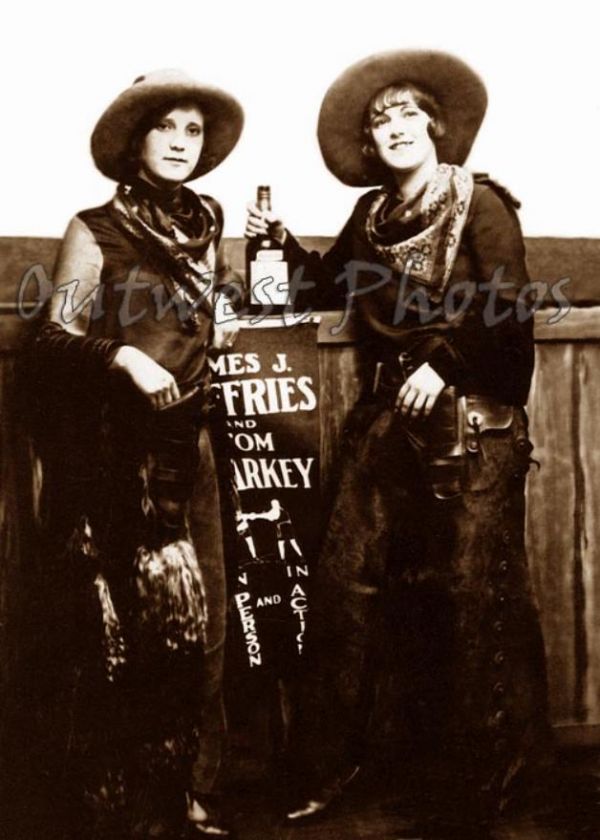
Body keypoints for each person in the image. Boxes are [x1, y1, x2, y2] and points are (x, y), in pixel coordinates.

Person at [245, 49, 551, 831]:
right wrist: (277, 241)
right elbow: (322, 286)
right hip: (389, 427)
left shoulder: (482, 204)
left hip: (475, 426)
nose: (397, 128)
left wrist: (443, 364)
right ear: (370, 149)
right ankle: (331, 767)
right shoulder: (371, 218)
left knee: (475, 597)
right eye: (382, 122)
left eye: (409, 114)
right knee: (345, 587)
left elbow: (508, 306)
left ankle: (492, 786)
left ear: (435, 127)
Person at [33, 69, 244, 838]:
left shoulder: (208, 221)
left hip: (188, 446)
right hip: (117, 457)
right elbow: (54, 339)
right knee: (133, 633)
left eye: (195, 131)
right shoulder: (96, 228)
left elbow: (204, 314)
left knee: (210, 622)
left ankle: (198, 794)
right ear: (137, 142)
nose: (183, 143)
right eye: (169, 128)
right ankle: (135, 810)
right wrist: (124, 357)